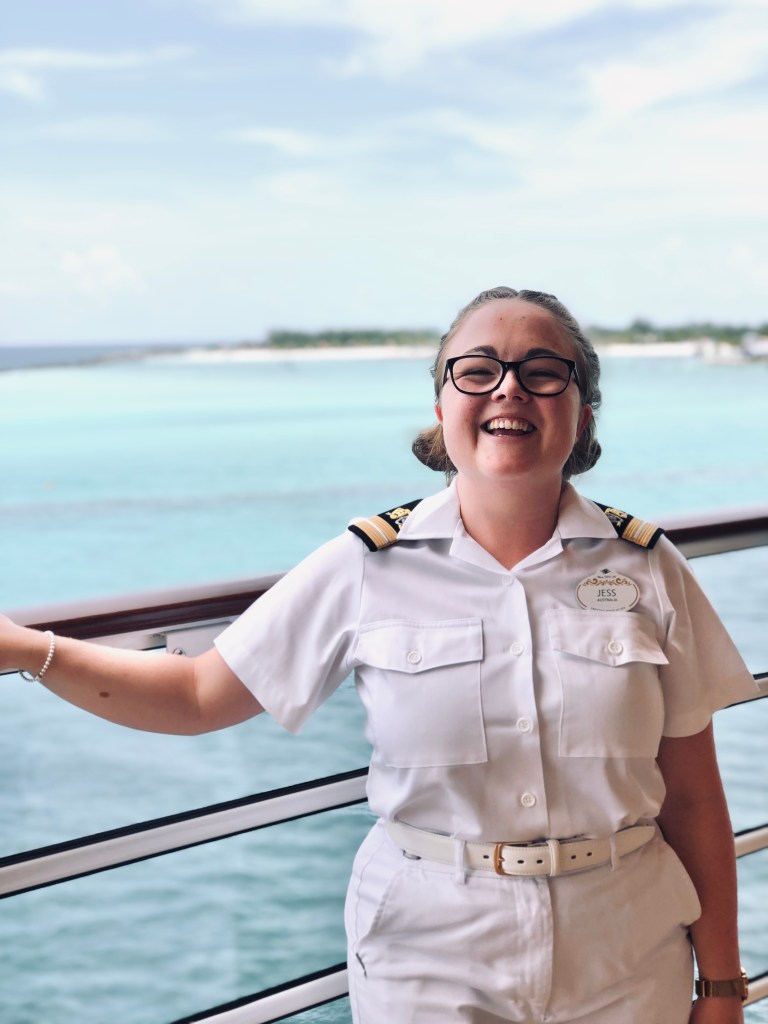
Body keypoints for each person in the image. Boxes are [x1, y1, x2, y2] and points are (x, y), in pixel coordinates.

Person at [1, 286, 758, 1023]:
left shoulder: (647, 566)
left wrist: (724, 984)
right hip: (430, 948)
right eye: (477, 370)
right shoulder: (368, 562)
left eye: (542, 371)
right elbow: (198, 694)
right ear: (442, 407)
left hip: (627, 944)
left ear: (582, 409)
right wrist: (32, 650)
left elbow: (693, 797)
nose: (508, 390)